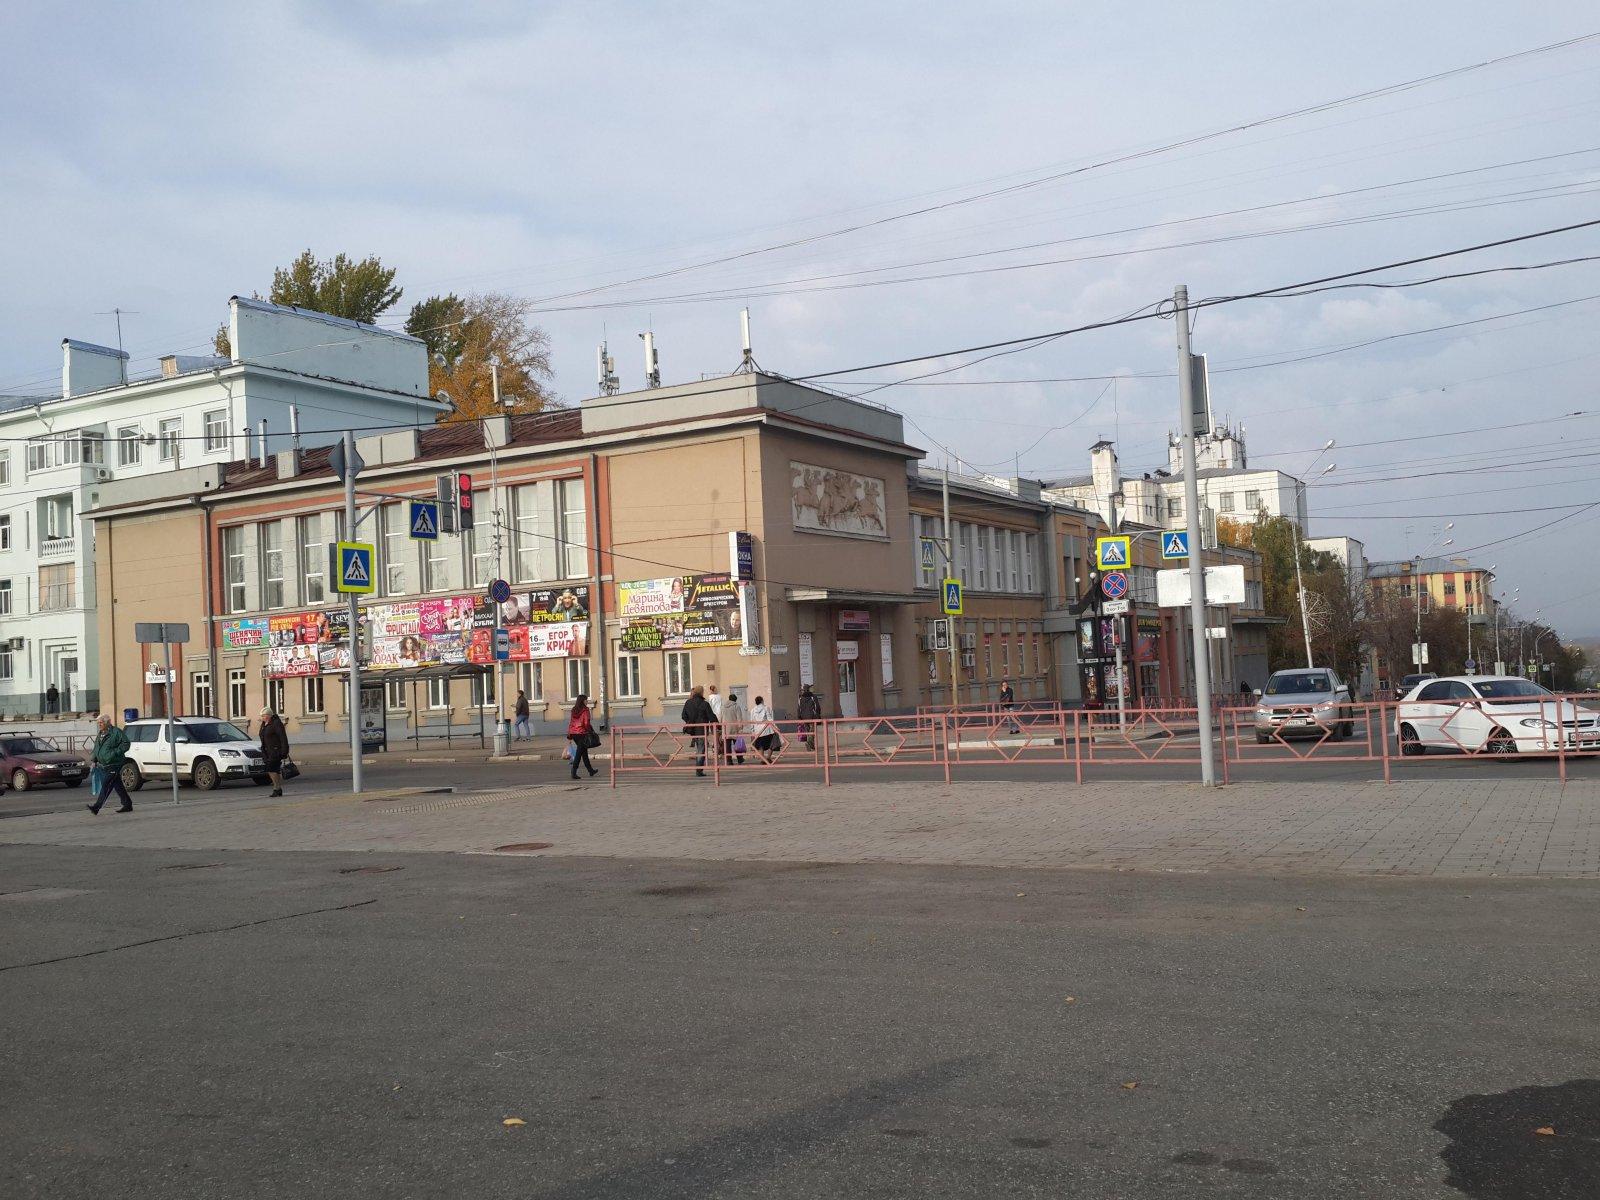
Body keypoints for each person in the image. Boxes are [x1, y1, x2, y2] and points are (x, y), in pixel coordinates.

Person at [86, 713, 133, 815]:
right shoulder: (100, 734)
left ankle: (96, 807)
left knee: (107, 785)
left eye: (101, 722)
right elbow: (97, 749)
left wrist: (114, 753)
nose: (99, 724)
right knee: (117, 784)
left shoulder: (116, 732)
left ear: (107, 722)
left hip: (114, 763)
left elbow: (126, 743)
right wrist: (94, 760)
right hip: (104, 764)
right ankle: (127, 804)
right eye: (98, 723)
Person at [680, 685, 717, 777]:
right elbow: (711, 717)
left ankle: (699, 769)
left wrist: (689, 722)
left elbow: (683, 715)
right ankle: (699, 770)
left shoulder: (688, 702)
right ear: (701, 692)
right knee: (701, 750)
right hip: (701, 730)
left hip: (692, 730)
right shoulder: (704, 704)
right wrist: (718, 725)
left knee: (699, 748)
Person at [259, 706, 290, 797]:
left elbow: (283, 738)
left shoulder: (276, 723)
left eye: (264, 716)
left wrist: (285, 751)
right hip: (266, 751)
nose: (262, 718)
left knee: (271, 769)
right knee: (273, 770)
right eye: (261, 716)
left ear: (269, 715)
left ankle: (277, 788)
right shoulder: (264, 724)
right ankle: (278, 788)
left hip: (275, 751)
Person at [566, 694, 598, 779]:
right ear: (583, 701)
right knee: (579, 753)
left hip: (574, 733)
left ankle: (590, 770)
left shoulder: (574, 709)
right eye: (586, 700)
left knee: (584, 752)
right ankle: (573, 771)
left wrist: (569, 734)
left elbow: (571, 722)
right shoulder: (585, 710)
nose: (587, 701)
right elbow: (586, 723)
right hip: (582, 733)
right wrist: (590, 731)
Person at [749, 695, 779, 763]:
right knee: (772, 743)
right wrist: (775, 727)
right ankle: (768, 758)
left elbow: (752, 721)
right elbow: (770, 719)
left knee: (760, 745)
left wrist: (752, 730)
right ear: (762, 701)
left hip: (758, 730)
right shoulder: (766, 708)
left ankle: (763, 759)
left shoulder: (753, 710)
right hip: (767, 730)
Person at [721, 689, 746, 765]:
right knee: (737, 744)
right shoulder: (736, 706)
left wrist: (720, 727)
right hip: (735, 728)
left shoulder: (723, 706)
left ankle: (729, 761)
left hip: (726, 728)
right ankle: (740, 759)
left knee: (727, 746)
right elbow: (739, 718)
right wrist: (741, 727)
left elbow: (720, 717)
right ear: (735, 700)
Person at [797, 683, 822, 747]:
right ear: (809, 689)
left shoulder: (800, 698)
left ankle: (811, 745)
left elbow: (799, 708)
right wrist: (818, 715)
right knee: (812, 731)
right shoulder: (813, 697)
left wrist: (799, 717)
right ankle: (809, 743)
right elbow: (817, 707)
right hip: (812, 717)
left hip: (804, 717)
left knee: (808, 731)